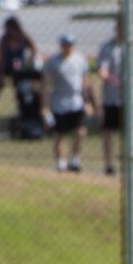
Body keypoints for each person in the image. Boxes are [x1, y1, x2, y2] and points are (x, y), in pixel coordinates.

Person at [41, 32, 93, 173]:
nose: (67, 47)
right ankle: (61, 162)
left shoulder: (80, 60)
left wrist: (88, 101)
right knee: (59, 134)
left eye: (70, 45)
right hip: (59, 102)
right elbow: (46, 84)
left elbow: (85, 81)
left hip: (76, 101)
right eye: (65, 45)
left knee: (80, 131)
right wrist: (45, 106)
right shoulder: (53, 62)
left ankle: (75, 159)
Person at [95, 18, 127, 175]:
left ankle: (131, 160)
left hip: (128, 98)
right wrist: (109, 78)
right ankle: (108, 163)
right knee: (109, 131)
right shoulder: (107, 48)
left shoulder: (131, 46)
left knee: (131, 130)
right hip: (112, 97)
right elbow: (102, 69)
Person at [0, 15, 37, 99]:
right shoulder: (4, 39)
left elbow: (33, 48)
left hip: (18, 62)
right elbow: (1, 56)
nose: (10, 31)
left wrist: (30, 60)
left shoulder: (23, 36)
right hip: (6, 63)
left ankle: (20, 100)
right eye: (8, 29)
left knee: (19, 80)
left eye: (12, 28)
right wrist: (2, 72)